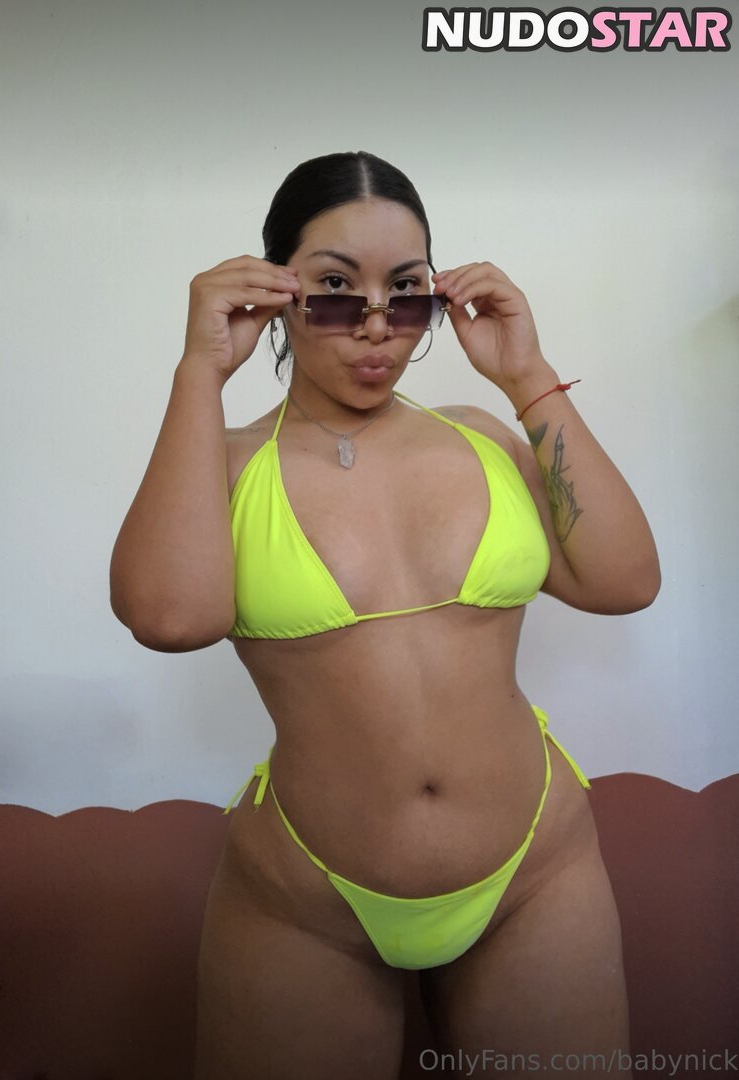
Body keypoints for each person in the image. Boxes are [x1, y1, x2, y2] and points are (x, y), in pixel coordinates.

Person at [109, 150, 660, 1079]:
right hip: (304, 900)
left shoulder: (482, 437)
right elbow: (169, 616)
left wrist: (527, 376)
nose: (375, 325)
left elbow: (624, 581)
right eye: (334, 290)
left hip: (536, 872)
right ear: (276, 291)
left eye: (406, 294)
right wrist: (199, 373)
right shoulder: (229, 463)